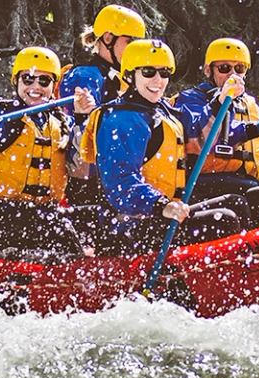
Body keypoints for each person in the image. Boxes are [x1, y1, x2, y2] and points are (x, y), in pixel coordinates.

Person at [83, 38, 243, 256]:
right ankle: (195, 285)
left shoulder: (161, 110)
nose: (158, 81)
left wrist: (221, 100)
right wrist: (161, 205)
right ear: (130, 75)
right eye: (148, 72)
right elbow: (120, 184)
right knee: (223, 220)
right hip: (127, 227)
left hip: (159, 215)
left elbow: (197, 133)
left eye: (164, 73)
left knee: (236, 203)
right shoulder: (120, 119)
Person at [0, 46, 96, 258]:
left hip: (47, 215)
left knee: (71, 253)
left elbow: (79, 169)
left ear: (53, 87)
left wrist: (82, 118)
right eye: (28, 79)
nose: (35, 87)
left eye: (44, 81)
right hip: (1, 215)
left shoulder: (62, 122)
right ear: (16, 81)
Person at [175, 36, 259, 227]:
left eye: (239, 69)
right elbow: (200, 136)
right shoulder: (190, 100)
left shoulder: (250, 105)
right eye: (224, 68)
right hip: (203, 186)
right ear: (208, 70)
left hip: (246, 184)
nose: (232, 74)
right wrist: (223, 102)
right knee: (237, 204)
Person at [61, 4, 145, 206]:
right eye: (129, 42)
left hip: (116, 175)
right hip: (89, 181)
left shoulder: (126, 79)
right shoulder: (86, 75)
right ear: (108, 38)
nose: (134, 49)